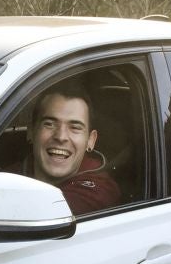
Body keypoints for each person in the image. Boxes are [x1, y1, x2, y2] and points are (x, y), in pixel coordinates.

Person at [15, 87, 120, 215]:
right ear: (31, 132)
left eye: (75, 127)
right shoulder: (10, 175)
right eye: (49, 124)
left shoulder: (98, 192)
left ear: (90, 141)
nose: (61, 137)